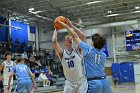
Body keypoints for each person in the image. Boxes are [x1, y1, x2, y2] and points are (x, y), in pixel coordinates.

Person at [59, 21, 113, 93]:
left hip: (94, 83)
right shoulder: (104, 55)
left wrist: (68, 26)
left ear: (93, 42)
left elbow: (75, 36)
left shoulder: (87, 50)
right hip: (105, 82)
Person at [52, 19, 87, 93]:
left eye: (71, 38)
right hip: (69, 83)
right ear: (64, 42)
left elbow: (83, 37)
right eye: (67, 39)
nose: (70, 39)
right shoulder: (62, 53)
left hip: (81, 82)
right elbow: (54, 41)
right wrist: (55, 30)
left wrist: (72, 26)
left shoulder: (78, 50)